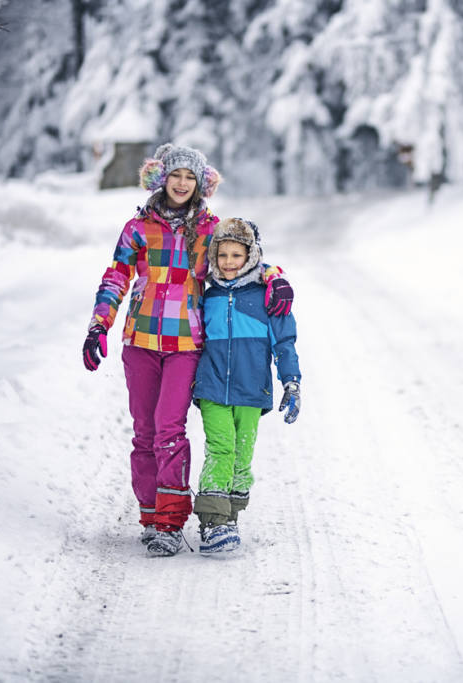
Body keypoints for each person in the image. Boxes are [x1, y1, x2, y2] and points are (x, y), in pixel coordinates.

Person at [82, 143, 295, 558]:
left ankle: (171, 520)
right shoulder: (137, 228)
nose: (182, 183)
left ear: (201, 183)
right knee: (144, 433)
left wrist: (275, 276)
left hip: (186, 344)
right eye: (176, 174)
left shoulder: (210, 228)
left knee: (168, 429)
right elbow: (116, 276)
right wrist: (98, 325)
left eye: (191, 177)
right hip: (140, 341)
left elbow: (244, 254)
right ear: (161, 177)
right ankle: (150, 515)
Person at [191, 217, 301, 555]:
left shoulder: (268, 297)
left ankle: (231, 514)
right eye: (222, 255)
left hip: (252, 390)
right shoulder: (206, 296)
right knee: (220, 449)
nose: (228, 263)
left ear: (251, 256)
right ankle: (212, 521)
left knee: (242, 456)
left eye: (236, 255)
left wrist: (292, 382)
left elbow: (285, 343)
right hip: (212, 389)